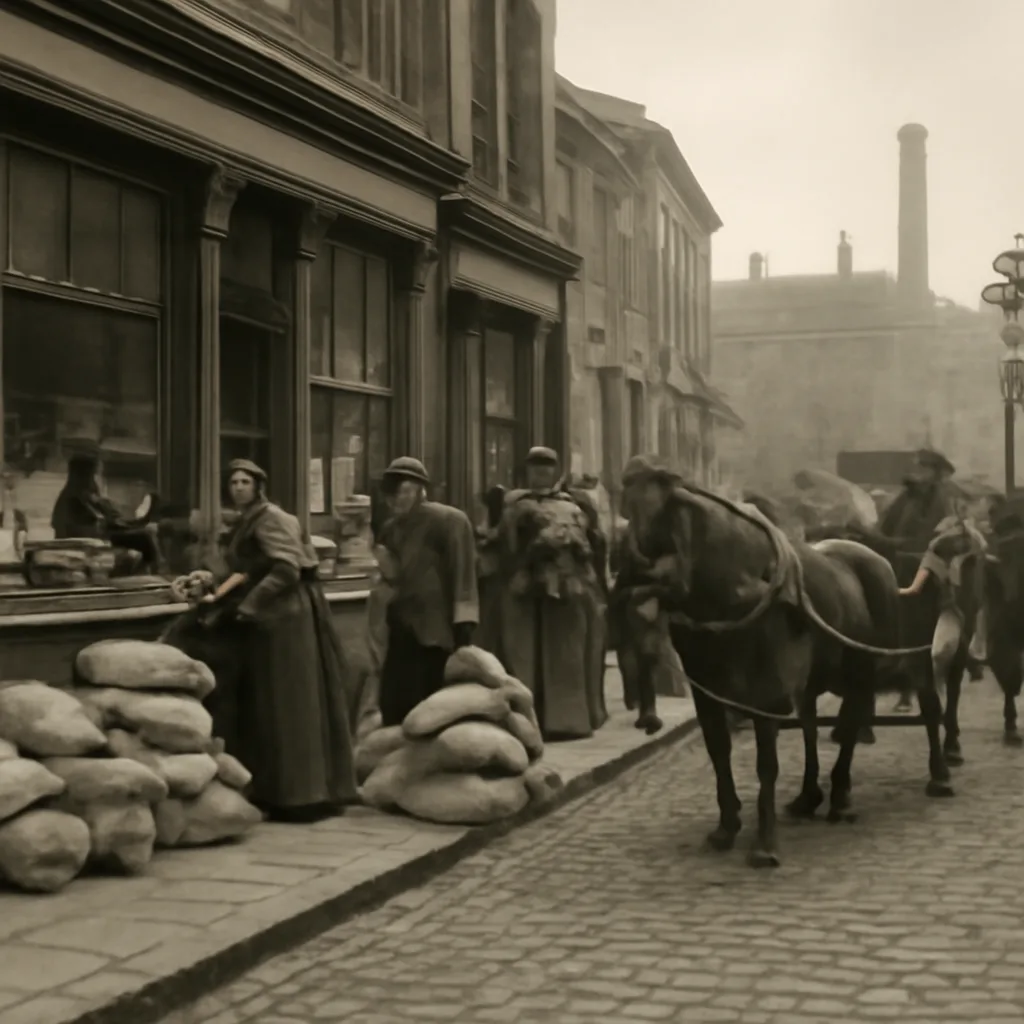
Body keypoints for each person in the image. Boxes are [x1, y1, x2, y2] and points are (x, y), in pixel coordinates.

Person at [169, 458, 357, 823]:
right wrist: (210, 584)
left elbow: (286, 569)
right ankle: (276, 790)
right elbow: (243, 569)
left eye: (244, 482)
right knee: (268, 705)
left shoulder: (272, 518)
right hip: (266, 618)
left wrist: (250, 606)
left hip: (286, 619)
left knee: (288, 702)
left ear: (258, 486)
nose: (238, 487)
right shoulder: (247, 521)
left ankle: (302, 795)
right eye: (233, 482)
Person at [493, 447, 608, 740]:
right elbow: (504, 543)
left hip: (568, 588)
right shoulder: (515, 504)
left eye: (546, 469)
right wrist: (519, 567)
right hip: (526, 588)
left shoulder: (575, 504)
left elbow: (594, 544)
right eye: (535, 469)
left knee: (566, 653)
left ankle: (567, 721)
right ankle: (529, 720)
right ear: (527, 472)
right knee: (525, 654)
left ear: (555, 472)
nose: (541, 475)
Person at [374, 456, 479, 727]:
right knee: (395, 702)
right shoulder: (390, 528)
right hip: (401, 624)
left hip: (437, 628)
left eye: (406, 490)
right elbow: (391, 576)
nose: (399, 499)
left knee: (434, 700)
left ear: (421, 490)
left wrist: (464, 621)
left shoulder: (450, 521)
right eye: (393, 492)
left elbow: (463, 571)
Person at [880, 448, 960, 712]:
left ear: (935, 473)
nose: (919, 472)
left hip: (931, 566)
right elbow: (885, 526)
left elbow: (935, 537)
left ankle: (956, 654)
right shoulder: (906, 497)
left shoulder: (943, 499)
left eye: (924, 468)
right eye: (918, 467)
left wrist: (893, 543)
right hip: (900, 562)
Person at [51, 452, 161, 574]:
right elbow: (80, 527)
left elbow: (105, 518)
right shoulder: (72, 498)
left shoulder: (84, 495)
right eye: (92, 474)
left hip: (98, 536)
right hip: (86, 542)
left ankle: (149, 571)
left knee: (145, 535)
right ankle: (154, 572)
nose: (94, 479)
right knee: (144, 538)